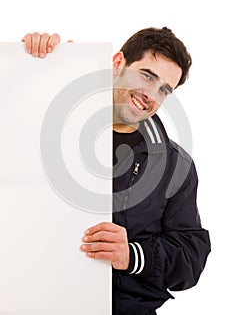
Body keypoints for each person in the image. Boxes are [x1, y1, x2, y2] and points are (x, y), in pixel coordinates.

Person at [22, 28, 211, 315]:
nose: (150, 95)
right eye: (146, 75)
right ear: (117, 63)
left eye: (163, 89)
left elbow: (191, 256)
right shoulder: (49, 126)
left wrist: (133, 255)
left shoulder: (176, 165)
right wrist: (39, 67)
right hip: (41, 301)